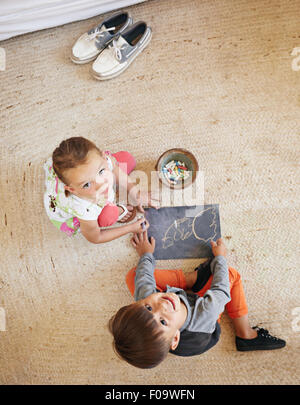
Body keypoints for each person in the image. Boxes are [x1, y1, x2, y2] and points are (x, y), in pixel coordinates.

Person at [109, 232, 286, 369]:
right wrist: (220, 257)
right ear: (175, 340)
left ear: (136, 304)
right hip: (204, 328)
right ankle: (245, 333)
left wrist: (146, 253)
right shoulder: (206, 313)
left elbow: (143, 278)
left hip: (180, 310)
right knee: (230, 274)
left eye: (147, 308)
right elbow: (221, 289)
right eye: (162, 321)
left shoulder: (147, 298)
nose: (161, 305)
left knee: (135, 274)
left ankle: (191, 280)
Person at [43, 137, 159, 242]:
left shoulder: (101, 163)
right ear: (73, 190)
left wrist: (135, 192)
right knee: (108, 214)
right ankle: (115, 209)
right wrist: (130, 228)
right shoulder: (83, 209)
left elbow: (115, 168)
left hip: (87, 180)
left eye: (101, 171)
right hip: (81, 206)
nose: (101, 185)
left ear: (104, 157)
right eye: (87, 184)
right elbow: (96, 237)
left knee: (126, 159)